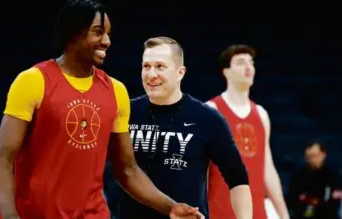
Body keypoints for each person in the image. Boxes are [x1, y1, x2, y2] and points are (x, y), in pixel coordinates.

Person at [0, 1, 202, 219]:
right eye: (98, 32)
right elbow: (3, 157)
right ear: (74, 33)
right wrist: (10, 215)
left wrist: (170, 207)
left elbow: (127, 169)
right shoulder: (33, 81)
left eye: (108, 34)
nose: (107, 41)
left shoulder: (116, 91)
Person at [103, 36, 253, 219]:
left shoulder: (207, 119)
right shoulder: (124, 112)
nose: (151, 74)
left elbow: (237, 178)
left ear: (180, 72)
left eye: (160, 66)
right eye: (146, 66)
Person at [206, 44, 290, 219]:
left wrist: (284, 215)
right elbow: (200, 169)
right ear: (226, 71)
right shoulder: (211, 110)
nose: (248, 67)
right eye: (240, 62)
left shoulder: (261, 115)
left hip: (256, 213)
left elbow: (268, 170)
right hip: (220, 213)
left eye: (251, 62)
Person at [288, 140, 342, 219]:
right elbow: (293, 199)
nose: (312, 160)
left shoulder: (333, 175)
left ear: (323, 154)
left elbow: (334, 199)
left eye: (315, 156)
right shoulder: (298, 176)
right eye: (309, 157)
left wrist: (316, 201)